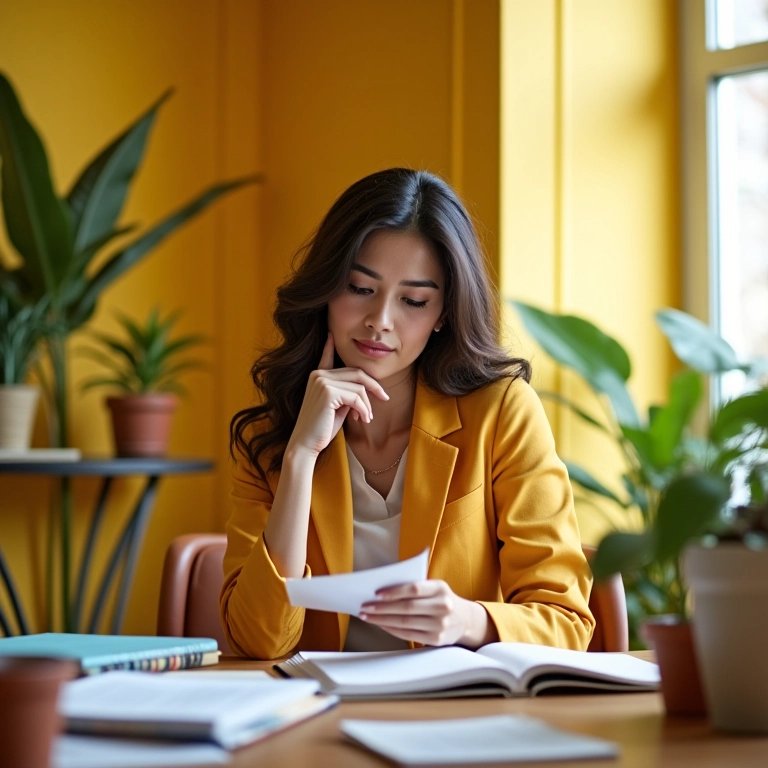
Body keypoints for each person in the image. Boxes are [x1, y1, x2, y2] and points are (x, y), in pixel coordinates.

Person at [221, 168, 594, 660]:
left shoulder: (501, 411)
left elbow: (564, 621)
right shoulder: (276, 431)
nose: (381, 320)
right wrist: (300, 459)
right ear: (328, 289)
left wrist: (467, 620)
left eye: (414, 300)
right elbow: (258, 641)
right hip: (315, 712)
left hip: (453, 716)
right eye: (359, 288)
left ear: (443, 313)